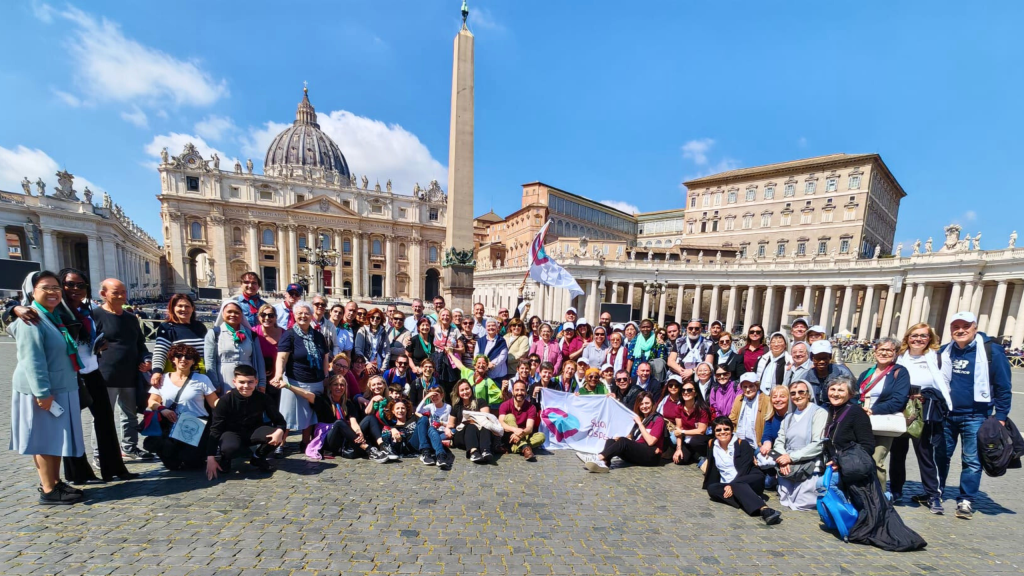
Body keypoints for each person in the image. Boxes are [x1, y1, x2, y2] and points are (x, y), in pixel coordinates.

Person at [8, 268, 135, 484]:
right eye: (69, 285)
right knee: (69, 424)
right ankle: (78, 473)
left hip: (92, 369)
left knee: (105, 419)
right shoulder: (55, 311)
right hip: (71, 374)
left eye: (81, 285)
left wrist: (97, 346)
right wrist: (14, 308)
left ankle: (113, 468)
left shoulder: (87, 310)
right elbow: (18, 327)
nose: (75, 289)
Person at [9, 271, 88, 504]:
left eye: (56, 287)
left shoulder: (52, 316)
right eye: (46, 288)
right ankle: (48, 488)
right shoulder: (30, 320)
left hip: (60, 387)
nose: (53, 292)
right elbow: (33, 360)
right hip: (43, 390)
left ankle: (55, 481)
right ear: (32, 292)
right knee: (43, 439)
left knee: (54, 438)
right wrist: (42, 393)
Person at [937, 311, 1013, 520]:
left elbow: (1003, 386)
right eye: (956, 327)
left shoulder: (992, 352)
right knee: (941, 456)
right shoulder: (945, 351)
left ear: (974, 328)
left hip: (976, 415)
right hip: (946, 414)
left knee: (972, 460)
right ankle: (936, 492)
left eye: (965, 326)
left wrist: (1001, 415)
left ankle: (966, 499)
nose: (960, 330)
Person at [892, 323, 952, 513]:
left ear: (930, 339)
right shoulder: (898, 357)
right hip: (900, 408)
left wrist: (928, 395)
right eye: (914, 335)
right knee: (897, 453)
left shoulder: (940, 358)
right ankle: (896, 490)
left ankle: (933, 495)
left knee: (925, 454)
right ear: (907, 337)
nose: (918, 339)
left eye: (923, 336)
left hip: (923, 410)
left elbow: (946, 387)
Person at [92, 278, 153, 461]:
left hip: (130, 375)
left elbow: (140, 345)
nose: (121, 296)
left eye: (123, 292)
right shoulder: (94, 316)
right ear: (103, 294)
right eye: (116, 292)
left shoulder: (131, 318)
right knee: (103, 418)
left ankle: (129, 447)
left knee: (130, 415)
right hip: (104, 376)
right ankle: (100, 454)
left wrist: (146, 359)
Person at [143, 344, 219, 470]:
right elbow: (152, 401)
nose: (183, 359)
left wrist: (230, 399)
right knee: (171, 464)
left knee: (192, 463)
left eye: (188, 357)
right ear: (173, 359)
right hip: (170, 423)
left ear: (194, 361)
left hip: (195, 424)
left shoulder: (202, 379)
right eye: (179, 356)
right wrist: (163, 409)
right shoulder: (163, 379)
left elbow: (214, 402)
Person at [271, 301, 331, 453]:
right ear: (294, 315)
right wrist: (278, 375)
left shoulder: (318, 336)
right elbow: (282, 358)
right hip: (294, 380)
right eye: (299, 313)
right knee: (288, 415)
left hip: (315, 381)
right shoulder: (289, 335)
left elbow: (325, 357)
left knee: (310, 416)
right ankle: (281, 443)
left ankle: (305, 443)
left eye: (306, 313)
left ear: (311, 316)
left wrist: (326, 376)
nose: (303, 316)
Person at [206, 365, 286, 479]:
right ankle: (226, 458)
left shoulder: (263, 398)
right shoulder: (225, 400)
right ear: (234, 382)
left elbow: (280, 421)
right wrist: (210, 457)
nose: (246, 386)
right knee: (229, 447)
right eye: (241, 382)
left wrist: (280, 431)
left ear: (256, 382)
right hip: (231, 433)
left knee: (276, 434)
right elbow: (215, 429)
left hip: (254, 431)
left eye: (250, 382)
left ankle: (258, 457)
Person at [702, 416, 782, 525]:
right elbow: (712, 467)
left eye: (726, 429)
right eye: (718, 430)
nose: (722, 432)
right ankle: (748, 499)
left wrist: (732, 485)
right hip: (729, 484)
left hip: (749, 479)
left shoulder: (742, 444)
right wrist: (728, 485)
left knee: (738, 484)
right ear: (714, 432)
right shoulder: (712, 444)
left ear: (732, 430)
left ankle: (765, 510)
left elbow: (745, 469)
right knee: (711, 489)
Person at [856, 337, 910, 492]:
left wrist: (873, 410)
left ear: (896, 353)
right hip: (862, 420)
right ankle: (861, 493)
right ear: (875, 352)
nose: (884, 353)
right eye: (881, 349)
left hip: (882, 421)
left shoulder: (899, 372)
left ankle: (880, 497)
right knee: (860, 458)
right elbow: (855, 393)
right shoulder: (867, 372)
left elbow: (899, 400)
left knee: (876, 460)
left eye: (889, 350)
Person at [772, 379, 826, 511]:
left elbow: (818, 444)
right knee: (785, 501)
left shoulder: (818, 413)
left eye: (801, 392)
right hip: (788, 465)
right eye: (793, 393)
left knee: (800, 504)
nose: (797, 396)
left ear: (808, 394)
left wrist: (791, 458)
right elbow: (779, 441)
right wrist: (783, 459)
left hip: (808, 463)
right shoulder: (788, 417)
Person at [584, 392, 665, 472]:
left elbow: (651, 442)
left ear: (652, 404)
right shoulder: (641, 418)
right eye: (641, 404)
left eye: (647, 403)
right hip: (639, 450)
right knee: (611, 440)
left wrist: (640, 424)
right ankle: (604, 463)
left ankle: (597, 458)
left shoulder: (658, 419)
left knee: (623, 441)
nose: (644, 406)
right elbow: (633, 437)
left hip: (651, 455)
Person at [204, 300, 267, 394]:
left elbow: (259, 360)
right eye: (229, 312)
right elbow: (209, 360)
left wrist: (262, 383)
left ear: (241, 315)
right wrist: (214, 384)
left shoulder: (251, 334)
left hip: (248, 380)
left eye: (237, 312)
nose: (233, 315)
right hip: (224, 379)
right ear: (222, 314)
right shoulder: (214, 333)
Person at [150, 294, 208, 387]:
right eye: (180, 306)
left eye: (187, 306)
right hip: (178, 378)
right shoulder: (167, 327)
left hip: (200, 378)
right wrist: (157, 371)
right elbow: (160, 352)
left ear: (192, 308)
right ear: (173, 308)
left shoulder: (200, 326)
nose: (184, 309)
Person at [310, 374, 369, 459]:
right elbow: (306, 394)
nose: (339, 387)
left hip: (343, 440)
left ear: (345, 387)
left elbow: (353, 422)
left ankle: (380, 445)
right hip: (327, 440)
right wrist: (289, 386)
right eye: (335, 384)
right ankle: (366, 447)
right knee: (339, 422)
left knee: (369, 419)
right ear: (330, 387)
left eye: (342, 385)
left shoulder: (348, 404)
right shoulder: (323, 400)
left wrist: (359, 432)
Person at [447, 379, 496, 463]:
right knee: (470, 426)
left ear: (471, 389)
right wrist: (447, 429)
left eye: (467, 388)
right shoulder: (456, 406)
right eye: (462, 390)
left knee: (485, 426)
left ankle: (485, 450)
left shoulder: (480, 402)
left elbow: (486, 418)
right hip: (463, 435)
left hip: (480, 433)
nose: (465, 392)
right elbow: (450, 424)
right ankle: (474, 452)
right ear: (458, 393)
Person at [499, 380, 546, 461]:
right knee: (509, 416)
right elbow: (501, 422)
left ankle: (515, 448)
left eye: (522, 390)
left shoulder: (531, 407)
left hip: (524, 434)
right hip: (508, 435)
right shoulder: (505, 405)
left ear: (526, 392)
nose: (519, 392)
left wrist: (520, 434)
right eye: (517, 390)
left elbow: (529, 428)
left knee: (541, 436)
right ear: (513, 392)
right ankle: (525, 447)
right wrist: (516, 430)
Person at [670, 380, 713, 465]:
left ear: (696, 393)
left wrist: (683, 432)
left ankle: (705, 455)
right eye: (683, 390)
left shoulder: (702, 409)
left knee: (695, 441)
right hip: (687, 438)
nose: (686, 392)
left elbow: (701, 431)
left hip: (701, 439)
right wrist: (678, 449)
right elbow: (679, 428)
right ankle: (695, 455)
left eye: (689, 390)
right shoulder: (679, 408)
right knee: (680, 460)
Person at [413, 386, 454, 469]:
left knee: (452, 431)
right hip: (432, 431)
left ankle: (435, 447)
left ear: (442, 395)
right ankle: (441, 455)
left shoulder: (448, 407)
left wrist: (441, 423)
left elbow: (450, 423)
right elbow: (418, 411)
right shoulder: (430, 406)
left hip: (442, 431)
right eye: (432, 396)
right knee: (432, 431)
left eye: (436, 395)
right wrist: (426, 397)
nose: (434, 398)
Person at [729, 372, 773, 449]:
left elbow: (769, 424)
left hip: (759, 443)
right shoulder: (739, 399)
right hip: (740, 440)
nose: (748, 390)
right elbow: (732, 419)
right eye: (745, 387)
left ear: (757, 386)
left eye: (751, 386)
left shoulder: (766, 400)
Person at [253, 304, 284, 411]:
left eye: (271, 315)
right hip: (259, 378)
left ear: (275, 317)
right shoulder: (253, 332)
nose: (267, 318)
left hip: (279, 379)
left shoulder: (284, 334)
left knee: (277, 410)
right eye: (263, 315)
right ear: (258, 317)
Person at [354, 308, 388, 375]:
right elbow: (358, 349)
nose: (375, 319)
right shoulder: (362, 330)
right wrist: (366, 363)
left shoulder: (383, 332)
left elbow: (387, 351)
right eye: (372, 317)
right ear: (369, 318)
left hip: (379, 366)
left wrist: (384, 367)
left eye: (378, 318)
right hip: (365, 366)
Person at [475, 318, 509, 385]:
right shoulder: (480, 341)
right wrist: (485, 365)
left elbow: (503, 356)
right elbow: (476, 355)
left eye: (493, 325)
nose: (491, 327)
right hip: (484, 373)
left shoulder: (501, 341)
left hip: (499, 374)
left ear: (497, 327)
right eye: (489, 326)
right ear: (486, 328)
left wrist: (492, 364)